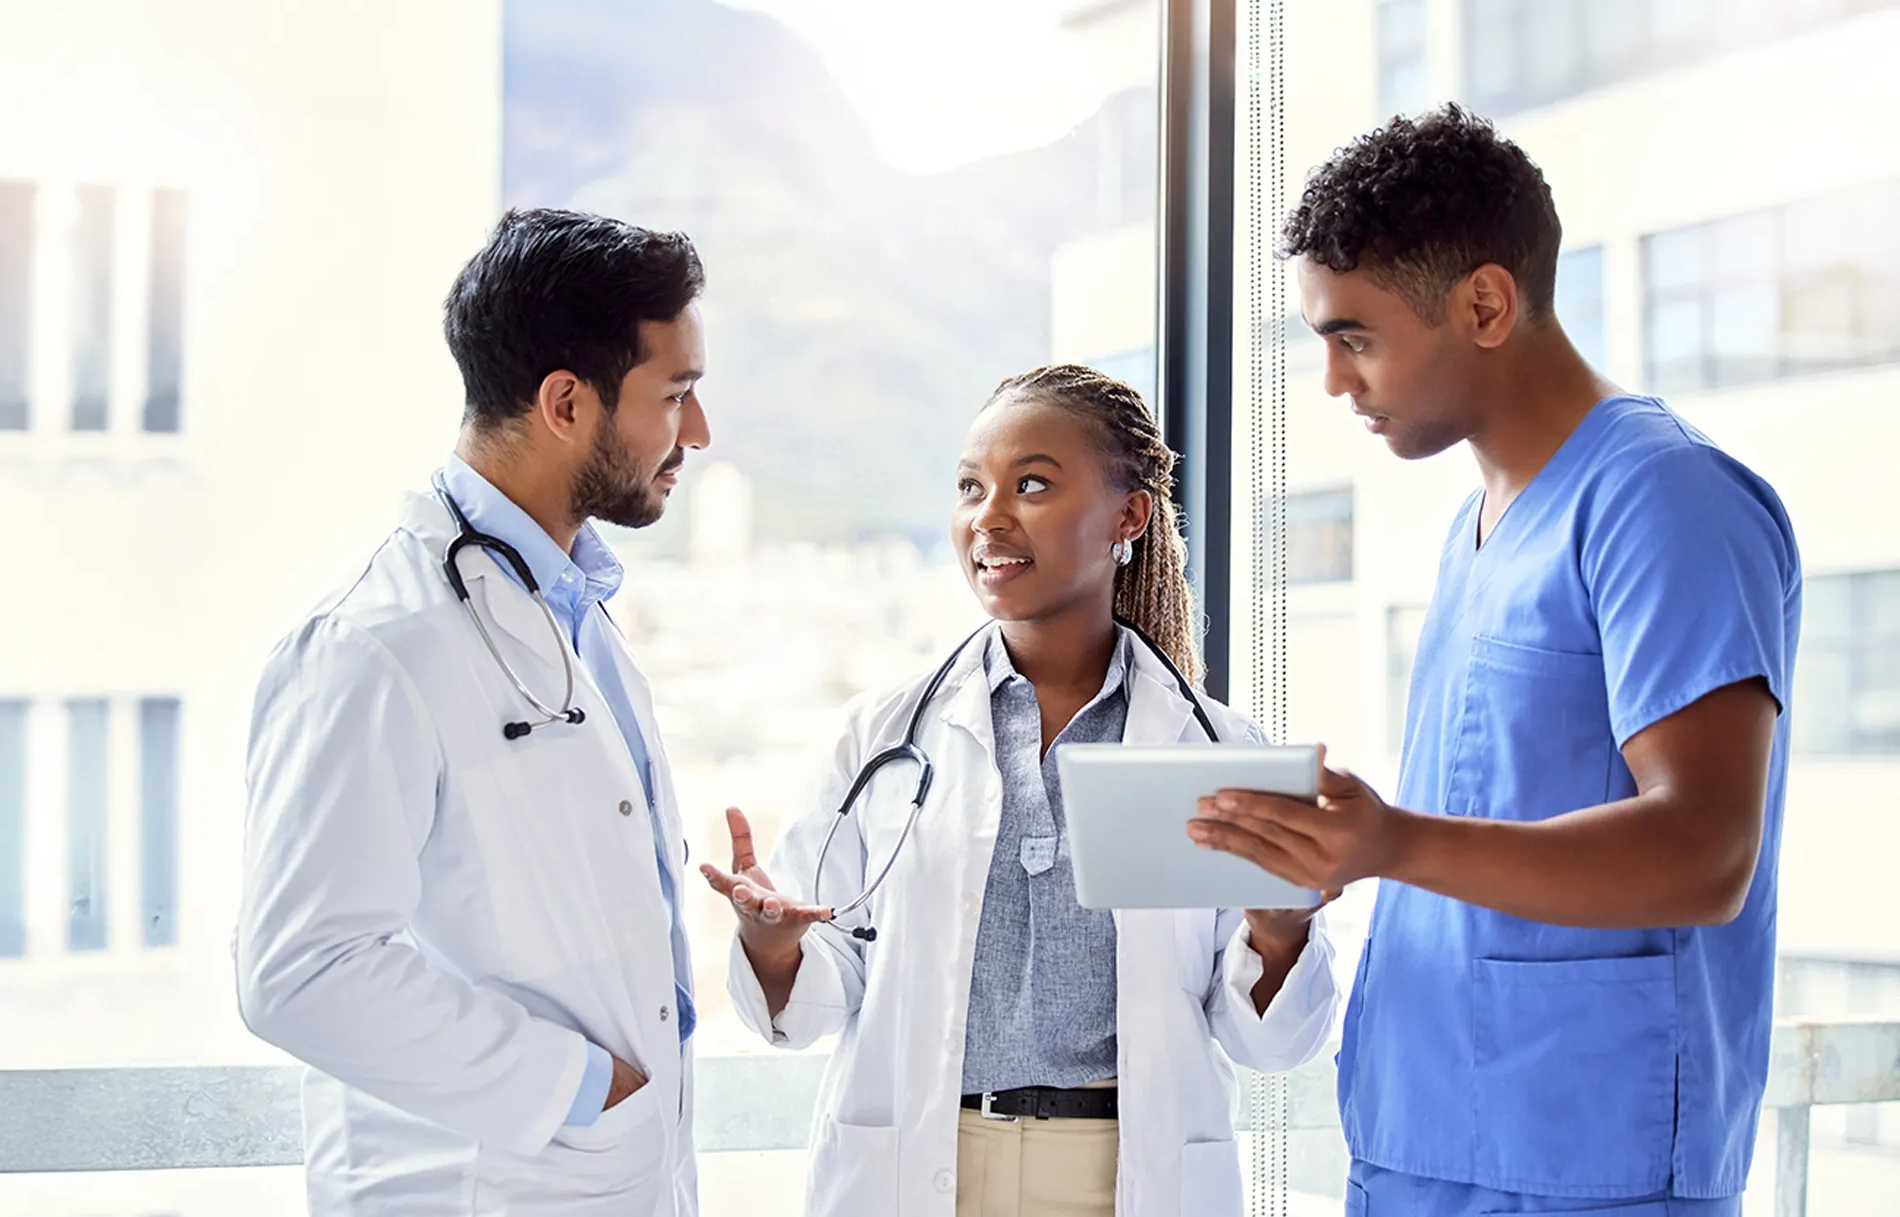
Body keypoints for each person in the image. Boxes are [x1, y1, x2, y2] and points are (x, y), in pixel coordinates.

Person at [1188, 106, 1802, 1216]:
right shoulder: (1479, 526)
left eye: (1354, 337)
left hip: (1581, 1163)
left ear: (1482, 303)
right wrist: (1322, 853)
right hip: (1423, 1138)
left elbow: (1706, 850)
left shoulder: (1662, 500)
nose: (1332, 382)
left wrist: (1391, 840)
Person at [703, 365, 1339, 1217]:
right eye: (971, 487)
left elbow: (1268, 1041)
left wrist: (1281, 930)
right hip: (925, 1169)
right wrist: (774, 943)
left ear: (1130, 515)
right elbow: (824, 989)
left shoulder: (1218, 749)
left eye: (1032, 483)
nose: (989, 516)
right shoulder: (884, 734)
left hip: (1123, 1176)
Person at [235, 209, 713, 1217]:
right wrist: (583, 1088)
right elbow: (300, 970)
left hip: (609, 1175)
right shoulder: (376, 643)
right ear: (566, 403)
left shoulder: (569, 613)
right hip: (473, 1187)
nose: (697, 434)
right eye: (675, 395)